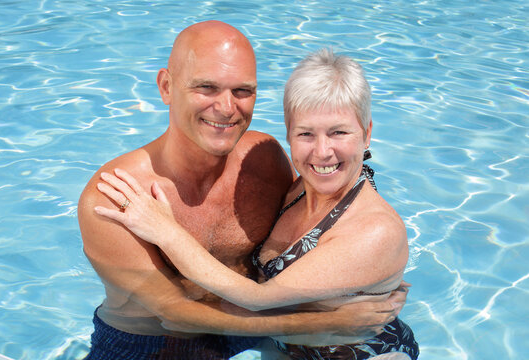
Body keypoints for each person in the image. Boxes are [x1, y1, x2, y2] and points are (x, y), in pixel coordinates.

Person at [79, 20, 407, 360]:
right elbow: (172, 311)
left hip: (256, 330)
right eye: (206, 88)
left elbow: (336, 239)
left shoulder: (262, 161)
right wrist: (317, 324)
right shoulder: (117, 196)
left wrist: (376, 280)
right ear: (166, 87)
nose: (225, 108)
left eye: (242, 91)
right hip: (153, 343)